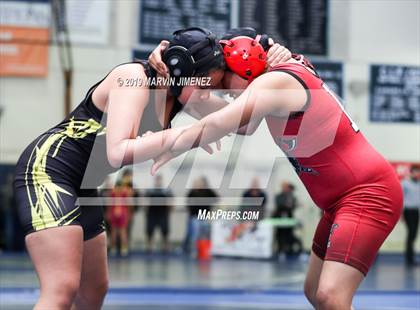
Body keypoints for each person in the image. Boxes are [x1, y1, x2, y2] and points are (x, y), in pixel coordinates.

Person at [151, 29, 403, 309]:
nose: (229, 96)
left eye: (228, 85)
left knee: (331, 296)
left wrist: (170, 142)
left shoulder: (276, 83)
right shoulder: (273, 74)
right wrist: (175, 76)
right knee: (314, 291)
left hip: (367, 194)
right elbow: (243, 125)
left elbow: (221, 122)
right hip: (339, 202)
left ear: (246, 66)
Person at [13, 27, 251, 309]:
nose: (207, 95)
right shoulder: (133, 79)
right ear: (179, 70)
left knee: (93, 291)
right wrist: (188, 136)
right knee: (62, 288)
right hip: (47, 171)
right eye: (204, 87)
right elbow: (118, 152)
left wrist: (269, 61)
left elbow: (245, 124)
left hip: (83, 184)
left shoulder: (184, 93)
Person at [185, 176, 218, 255]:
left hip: (204, 217)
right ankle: (194, 250)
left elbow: (216, 198)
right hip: (194, 217)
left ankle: (203, 250)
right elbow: (188, 204)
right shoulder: (192, 192)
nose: (199, 184)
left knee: (204, 235)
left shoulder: (208, 192)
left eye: (200, 182)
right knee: (194, 235)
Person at [145, 175, 173, 252]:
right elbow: (145, 202)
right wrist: (146, 211)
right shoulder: (150, 191)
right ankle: (149, 246)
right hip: (152, 213)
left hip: (163, 213)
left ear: (161, 181)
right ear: (155, 181)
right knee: (150, 230)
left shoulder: (166, 191)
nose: (158, 181)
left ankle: (165, 246)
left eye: (159, 180)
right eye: (157, 180)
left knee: (165, 230)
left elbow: (171, 202)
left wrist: (169, 210)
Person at [273, 182, 301, 255]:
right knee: (279, 234)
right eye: (284, 187)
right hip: (279, 218)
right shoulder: (278, 196)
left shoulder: (291, 196)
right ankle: (280, 249)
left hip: (289, 218)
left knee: (289, 234)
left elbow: (293, 205)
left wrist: (290, 203)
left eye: (287, 187)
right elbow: (280, 205)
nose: (286, 189)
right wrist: (287, 205)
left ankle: (288, 249)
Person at [401, 165, 420, 266]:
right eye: (416, 171)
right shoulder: (405, 183)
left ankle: (411, 256)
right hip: (408, 211)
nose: (417, 173)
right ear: (411, 172)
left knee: (414, 234)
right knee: (411, 233)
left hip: (416, 211)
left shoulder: (418, 184)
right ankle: (409, 259)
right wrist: (401, 214)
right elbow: (401, 198)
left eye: (418, 172)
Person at [108, 181, 132, 256]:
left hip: (114, 211)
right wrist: (129, 213)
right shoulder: (125, 192)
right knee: (123, 232)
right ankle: (123, 249)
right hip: (122, 211)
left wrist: (108, 213)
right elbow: (129, 204)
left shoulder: (112, 192)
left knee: (113, 232)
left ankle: (113, 248)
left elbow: (109, 204)